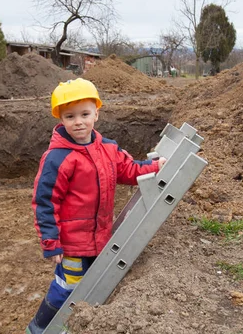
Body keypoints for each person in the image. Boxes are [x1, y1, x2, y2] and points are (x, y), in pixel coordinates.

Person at [26, 78, 166, 333]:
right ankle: (39, 328)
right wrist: (51, 241)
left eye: (85, 114)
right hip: (72, 244)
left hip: (100, 238)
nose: (78, 121)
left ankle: (80, 326)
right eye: (70, 116)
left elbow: (128, 169)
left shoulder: (108, 149)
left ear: (96, 114)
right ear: (60, 119)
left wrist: (156, 167)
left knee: (93, 284)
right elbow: (45, 201)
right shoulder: (57, 157)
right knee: (66, 287)